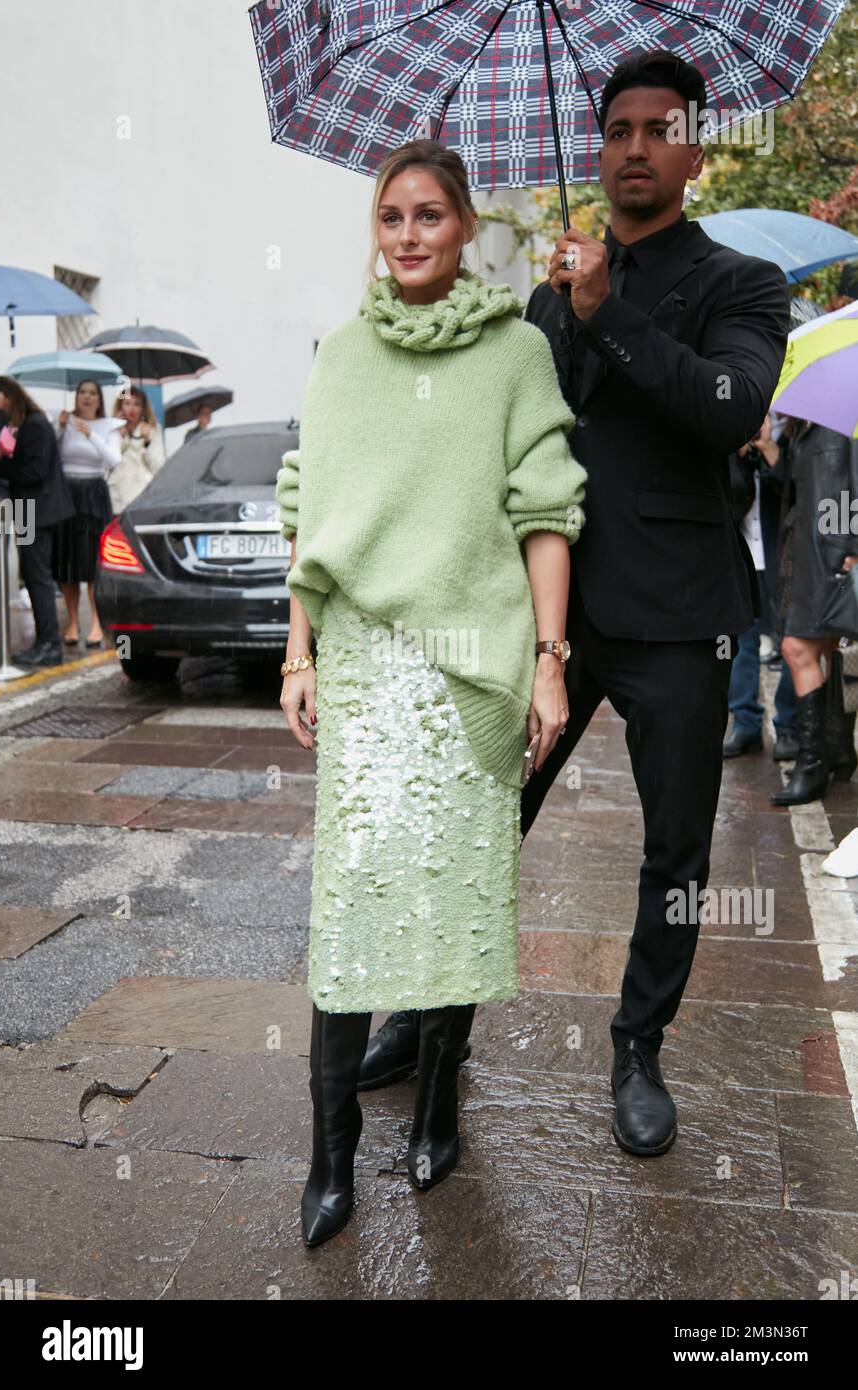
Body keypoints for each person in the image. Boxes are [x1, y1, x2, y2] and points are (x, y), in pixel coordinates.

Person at [359, 50, 792, 1161]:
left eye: (659, 129)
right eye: (617, 130)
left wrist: (606, 313)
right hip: (540, 620)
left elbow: (726, 407)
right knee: (481, 822)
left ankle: (638, 1047)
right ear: (595, 147)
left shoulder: (739, 282)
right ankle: (428, 1017)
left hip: (676, 618)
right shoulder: (548, 289)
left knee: (676, 856)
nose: (634, 147)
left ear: (695, 152)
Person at [277, 137, 587, 1247]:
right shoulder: (341, 358)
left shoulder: (516, 355)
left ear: (462, 227)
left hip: (473, 661)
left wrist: (548, 661)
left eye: (429, 215)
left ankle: (440, 1097)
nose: (408, 234)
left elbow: (546, 510)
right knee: (352, 899)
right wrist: (298, 652)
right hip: (364, 664)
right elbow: (306, 509)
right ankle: (329, 1158)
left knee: (454, 891)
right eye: (390, 216)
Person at [764, 417, 858, 805]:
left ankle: (812, 765)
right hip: (804, 551)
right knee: (824, 647)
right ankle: (836, 750)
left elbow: (853, 482)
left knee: (796, 648)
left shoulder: (844, 420)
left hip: (832, 555)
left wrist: (850, 549)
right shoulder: (807, 426)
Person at [723, 413, 797, 760]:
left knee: (792, 644)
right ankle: (746, 725)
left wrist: (768, 448)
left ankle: (788, 728)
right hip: (741, 556)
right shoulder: (728, 438)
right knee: (740, 644)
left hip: (783, 557)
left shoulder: (793, 437)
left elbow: (796, 493)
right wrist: (737, 451)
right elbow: (727, 494)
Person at [0, 375, 75, 665]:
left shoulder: (35, 424)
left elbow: (35, 472)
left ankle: (49, 643)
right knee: (33, 574)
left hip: (36, 510)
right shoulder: (26, 425)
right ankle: (45, 641)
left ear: (4, 394)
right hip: (29, 509)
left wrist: (1, 464)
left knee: (37, 576)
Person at [51, 378, 122, 649]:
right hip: (66, 492)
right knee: (67, 561)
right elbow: (52, 455)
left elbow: (114, 460)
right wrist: (59, 428)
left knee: (92, 561)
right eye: (82, 392)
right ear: (76, 396)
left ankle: (95, 621)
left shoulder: (109, 426)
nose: (87, 397)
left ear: (99, 399)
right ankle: (72, 622)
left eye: (93, 393)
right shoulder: (64, 421)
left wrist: (90, 434)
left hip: (93, 493)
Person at [108, 388, 164, 513]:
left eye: (136, 404)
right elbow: (107, 465)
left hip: (143, 495)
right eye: (127, 403)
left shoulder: (152, 429)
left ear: (143, 408)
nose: (132, 409)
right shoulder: (112, 430)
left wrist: (147, 442)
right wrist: (120, 438)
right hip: (119, 497)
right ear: (120, 406)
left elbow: (158, 466)